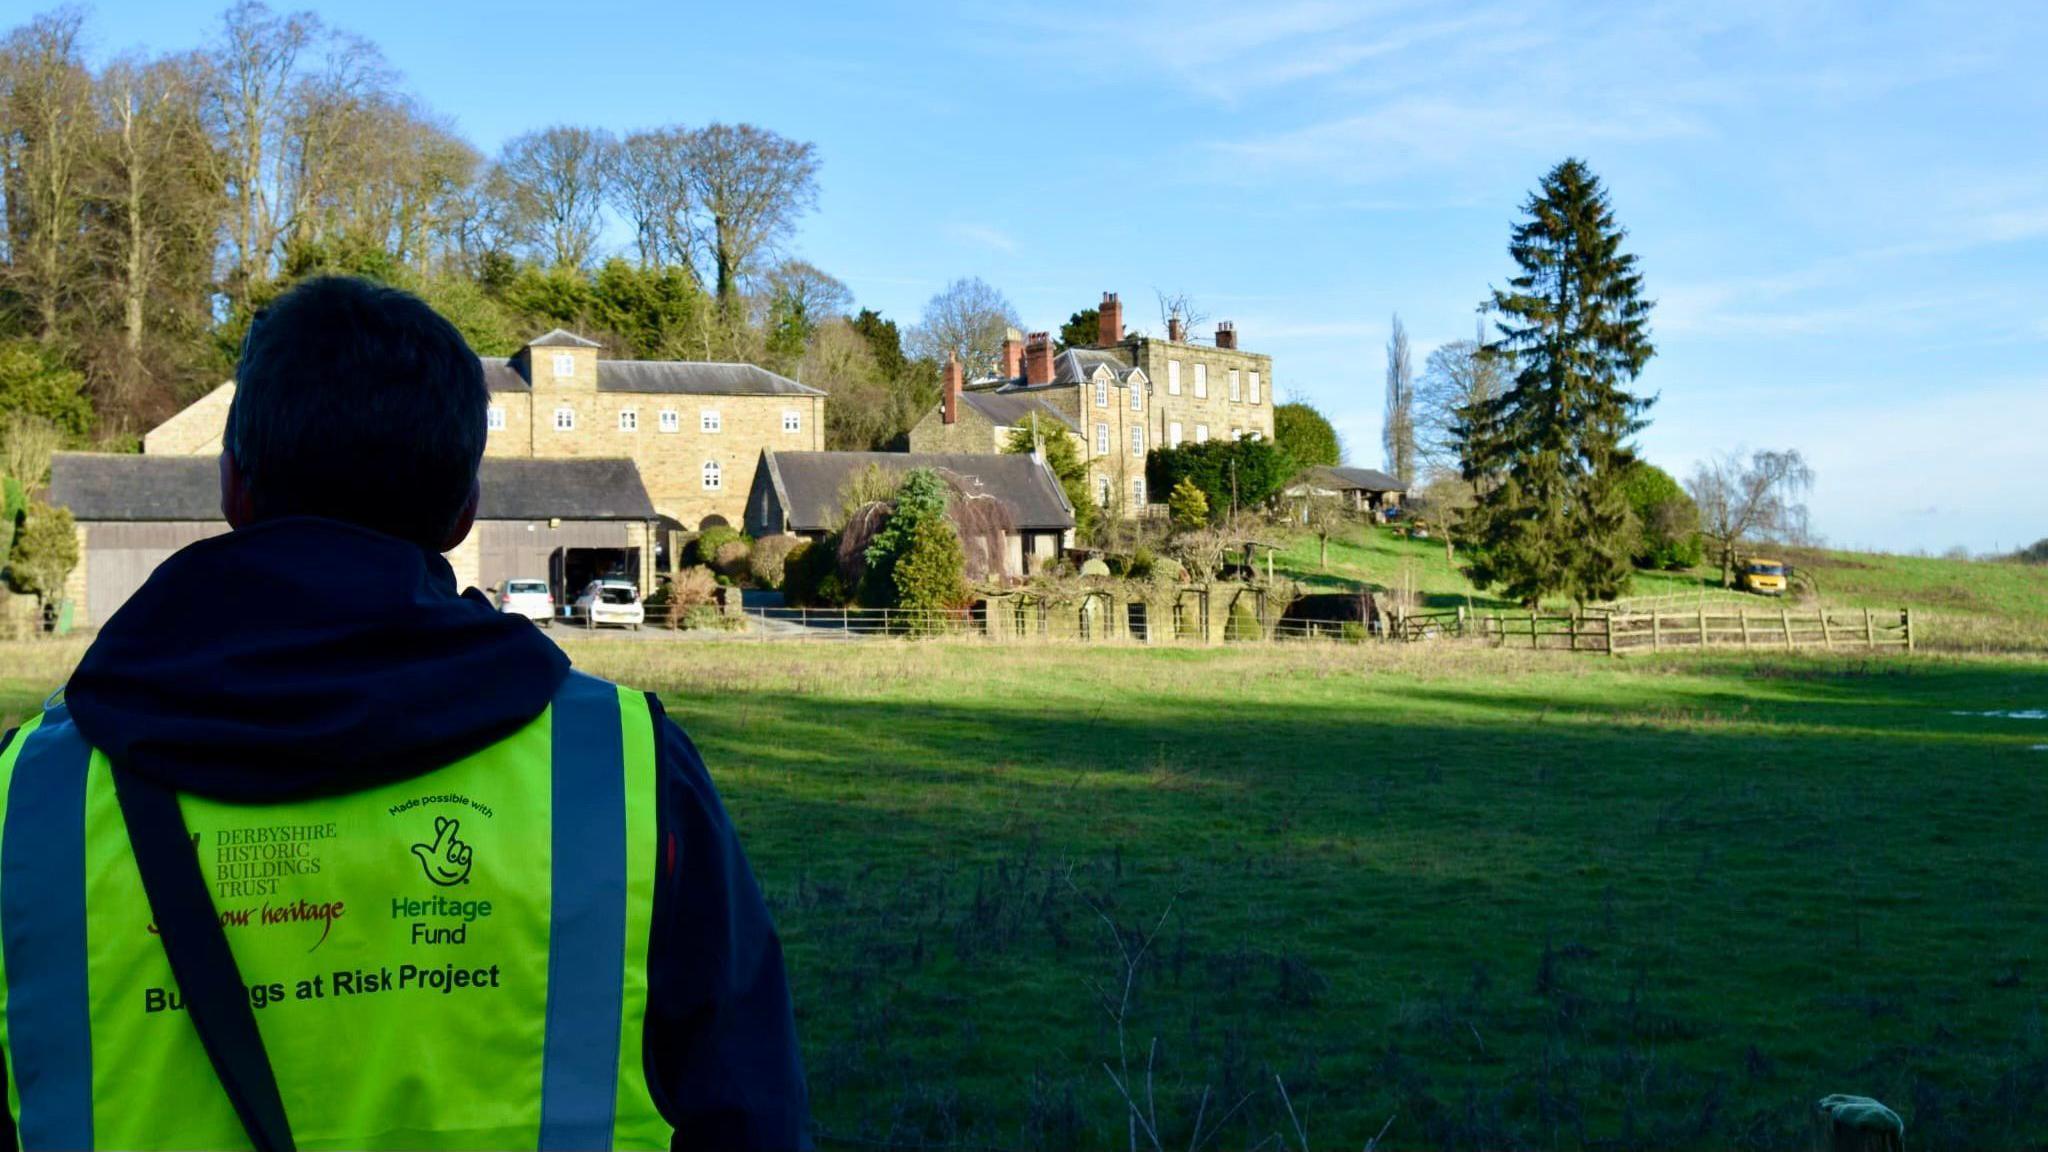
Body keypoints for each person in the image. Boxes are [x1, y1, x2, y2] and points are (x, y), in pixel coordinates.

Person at [0, 276, 808, 1150]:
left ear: (233, 484)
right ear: (465, 510)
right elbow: (752, 1113)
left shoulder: (31, 801)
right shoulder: (624, 773)